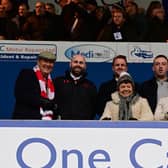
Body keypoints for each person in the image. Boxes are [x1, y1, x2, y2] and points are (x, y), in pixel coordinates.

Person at [13, 51, 58, 120]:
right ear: (38, 62)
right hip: (25, 122)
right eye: (45, 61)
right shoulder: (27, 74)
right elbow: (21, 94)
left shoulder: (51, 83)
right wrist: (43, 102)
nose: (48, 64)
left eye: (51, 62)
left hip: (45, 124)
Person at [53, 54, 97, 120]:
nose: (78, 65)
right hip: (61, 125)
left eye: (81, 63)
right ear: (70, 64)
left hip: (83, 126)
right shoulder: (58, 82)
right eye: (75, 62)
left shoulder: (90, 86)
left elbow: (94, 108)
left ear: (85, 66)